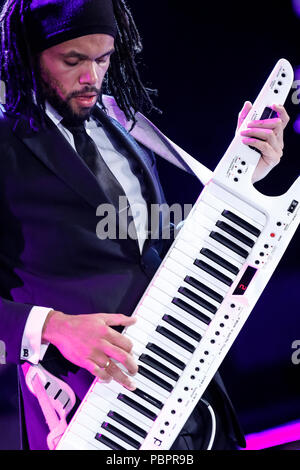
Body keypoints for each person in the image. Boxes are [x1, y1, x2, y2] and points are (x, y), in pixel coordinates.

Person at [0, 0, 289, 451]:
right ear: (27, 54)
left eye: (103, 58)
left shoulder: (121, 122)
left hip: (187, 387)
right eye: (73, 61)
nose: (91, 77)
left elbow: (151, 248)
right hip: (88, 411)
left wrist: (245, 176)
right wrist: (53, 326)